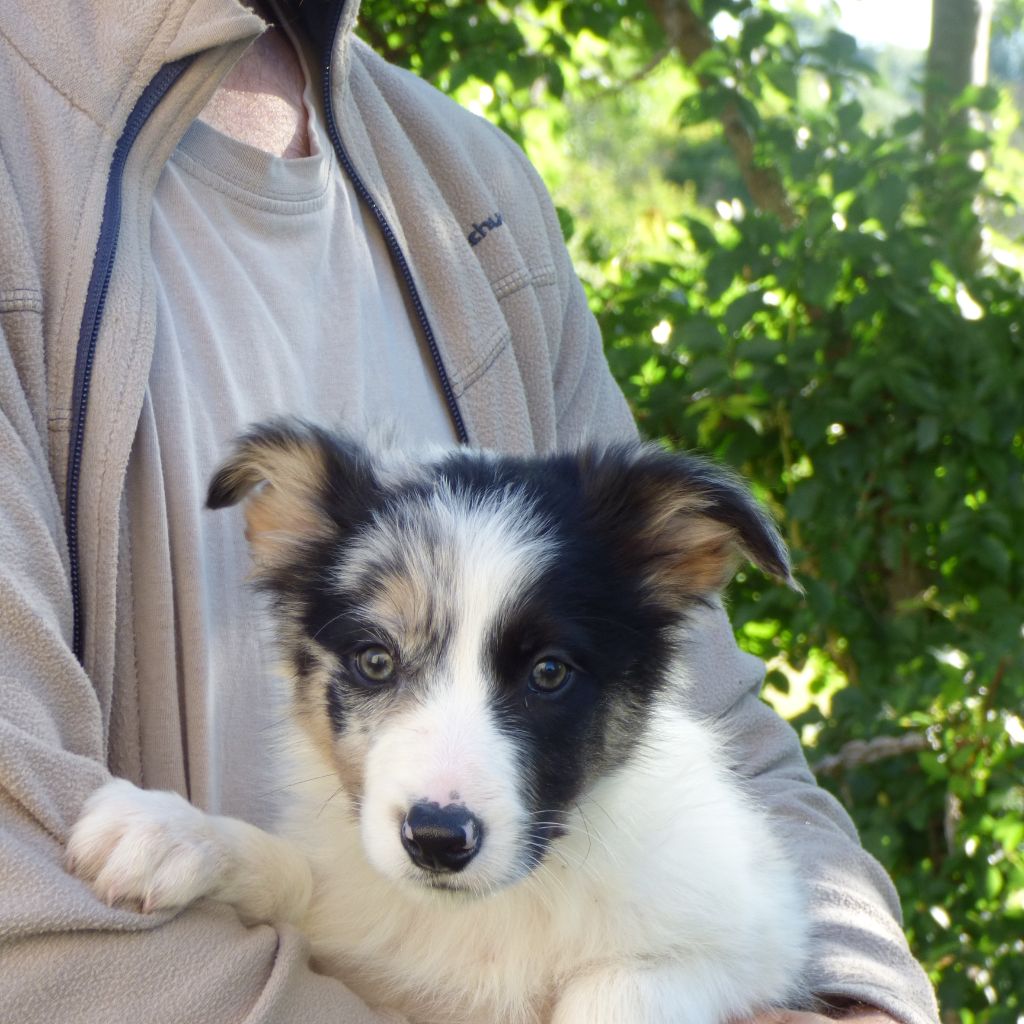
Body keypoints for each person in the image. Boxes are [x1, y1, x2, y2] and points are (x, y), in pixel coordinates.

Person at [0, 1, 940, 1022]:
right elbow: (30, 912)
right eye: (375, 661)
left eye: (542, 671)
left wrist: (862, 997)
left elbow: (717, 722)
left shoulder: (467, 181)